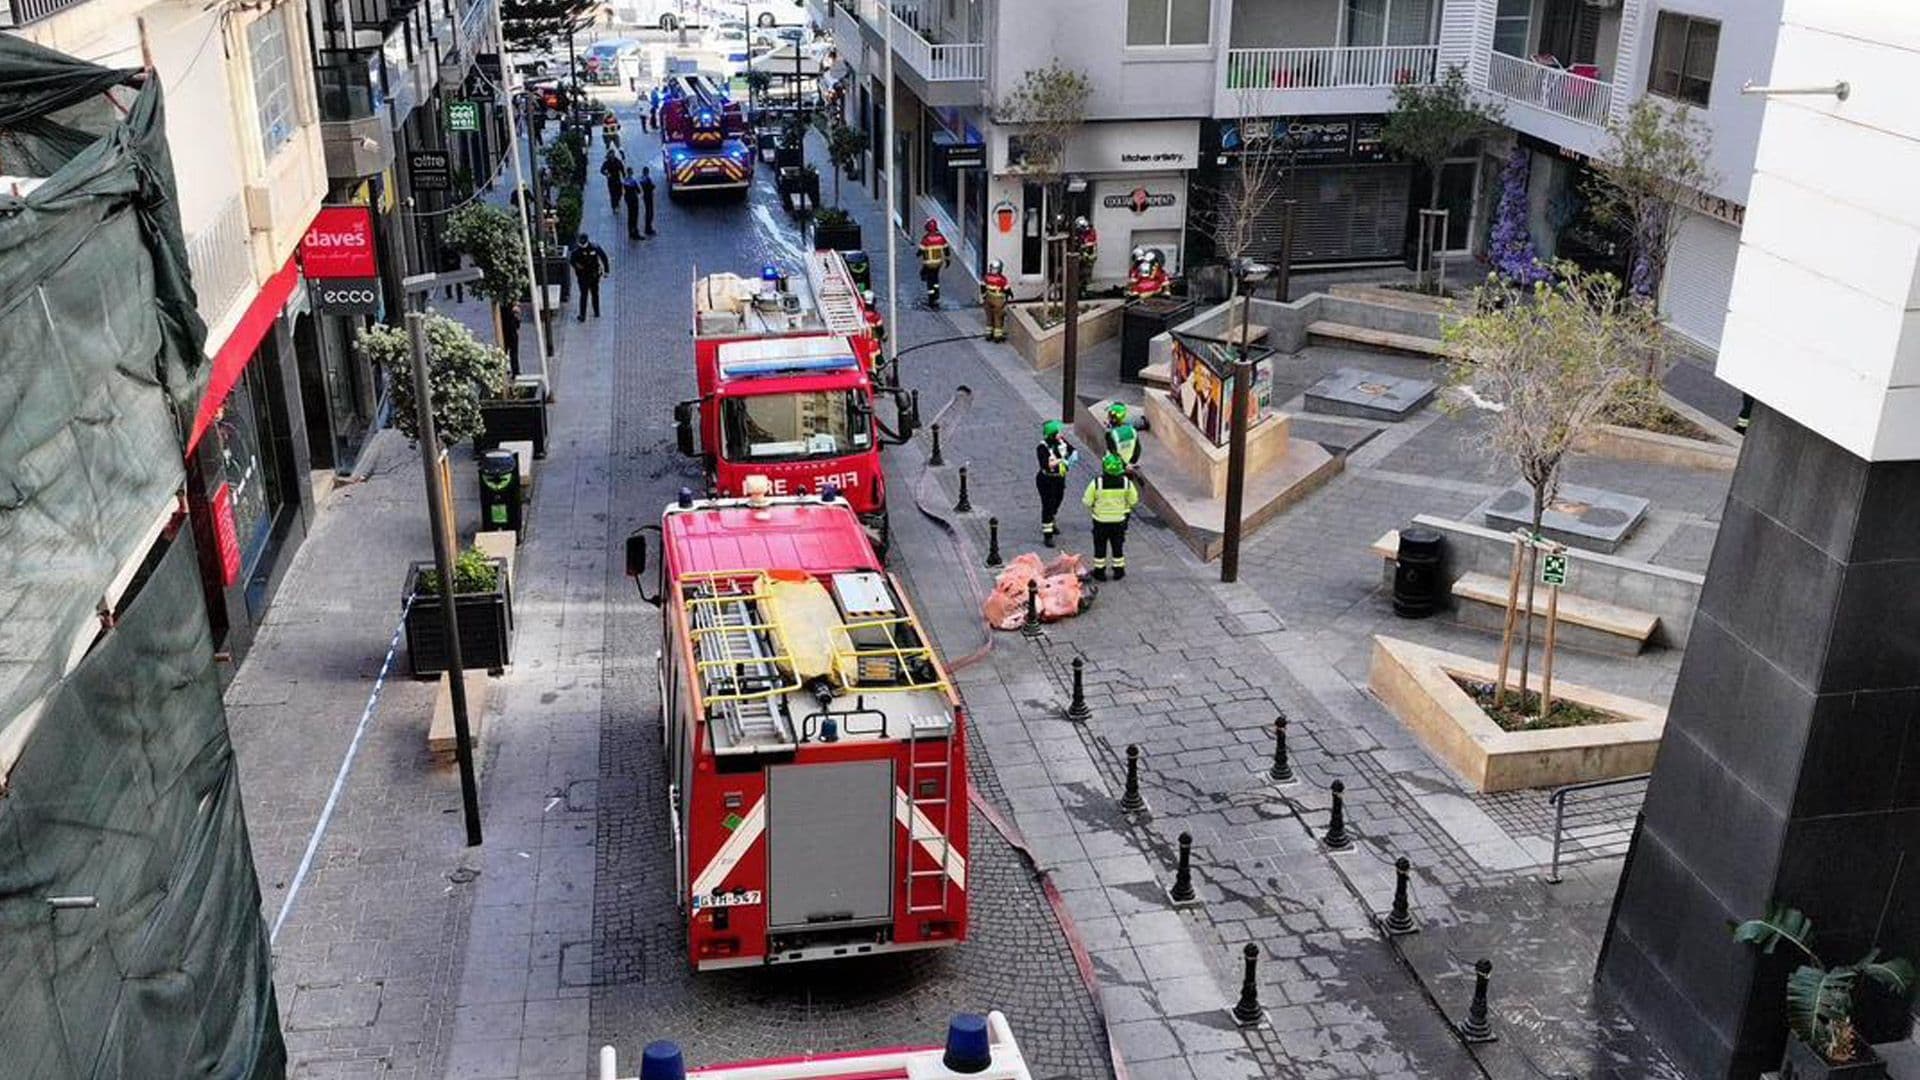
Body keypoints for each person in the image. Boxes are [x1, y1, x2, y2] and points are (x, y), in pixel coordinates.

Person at [1083, 453, 1140, 581]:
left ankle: (1100, 572)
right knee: (1117, 545)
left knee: (1100, 546)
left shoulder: (1097, 483)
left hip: (1100, 521)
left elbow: (1087, 501)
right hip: (1119, 521)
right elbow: (1134, 500)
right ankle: (1118, 571)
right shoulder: (1126, 483)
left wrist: (1095, 506)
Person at [1035, 419, 1076, 547]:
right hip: (1046, 479)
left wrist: (1071, 459)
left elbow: (1072, 451)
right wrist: (1061, 460)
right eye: (1058, 432)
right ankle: (1048, 535)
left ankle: (1052, 518)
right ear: (1051, 434)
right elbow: (1046, 465)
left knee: (1058, 500)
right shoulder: (1042, 448)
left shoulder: (1062, 442)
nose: (1060, 434)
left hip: (1059, 478)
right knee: (1048, 505)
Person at [569, 232, 610, 320]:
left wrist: (606, 271)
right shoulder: (576, 250)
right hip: (583, 275)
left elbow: (604, 257)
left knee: (594, 293)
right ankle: (583, 315)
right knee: (584, 295)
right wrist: (577, 266)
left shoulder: (594, 247)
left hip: (594, 274)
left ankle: (596, 311)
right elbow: (572, 261)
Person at [917, 218, 950, 306]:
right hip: (938, 263)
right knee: (936, 278)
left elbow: (920, 251)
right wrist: (947, 260)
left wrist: (918, 254)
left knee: (930, 281)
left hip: (928, 264)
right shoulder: (941, 238)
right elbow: (946, 249)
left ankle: (931, 299)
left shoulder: (926, 239)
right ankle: (936, 295)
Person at [1103, 402, 1141, 472]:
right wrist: (1131, 463)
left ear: (1113, 418)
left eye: (1109, 415)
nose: (1107, 417)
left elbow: (1114, 453)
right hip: (1130, 465)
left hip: (1114, 466)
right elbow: (1138, 449)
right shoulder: (1132, 430)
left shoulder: (1110, 434)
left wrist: (1125, 465)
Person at [980, 258, 1010, 342]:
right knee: (998, 317)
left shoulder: (986, 277)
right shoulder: (1002, 279)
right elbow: (1007, 289)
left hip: (988, 298)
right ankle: (997, 336)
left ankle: (988, 334)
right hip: (998, 300)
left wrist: (983, 296)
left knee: (989, 317)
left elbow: (982, 286)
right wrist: (1009, 295)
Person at [1074, 215, 1098, 295]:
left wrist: (1082, 246)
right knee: (1080, 275)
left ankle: (1087, 292)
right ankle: (1081, 291)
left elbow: (1090, 244)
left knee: (1086, 275)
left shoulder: (1090, 232)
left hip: (1089, 257)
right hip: (1084, 257)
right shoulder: (1082, 234)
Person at [622, 166, 642, 240]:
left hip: (628, 200)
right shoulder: (633, 181)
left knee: (630, 217)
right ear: (631, 172)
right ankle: (635, 233)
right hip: (634, 200)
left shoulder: (625, 181)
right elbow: (638, 190)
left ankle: (630, 232)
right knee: (635, 217)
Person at [639, 166, 656, 236]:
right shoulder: (647, 179)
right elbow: (652, 186)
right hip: (649, 196)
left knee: (648, 211)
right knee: (650, 212)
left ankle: (648, 228)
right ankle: (648, 229)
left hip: (646, 196)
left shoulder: (642, 178)